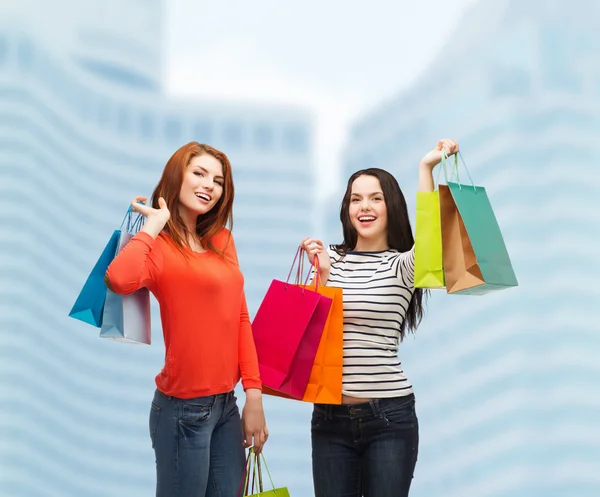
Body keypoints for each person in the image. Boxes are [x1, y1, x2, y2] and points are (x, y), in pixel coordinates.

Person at [105, 142, 268, 497]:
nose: (209, 185)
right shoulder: (157, 246)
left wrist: (253, 395)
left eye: (218, 180)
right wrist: (153, 226)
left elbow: (240, 316)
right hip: (182, 411)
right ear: (176, 177)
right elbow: (119, 279)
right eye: (199, 174)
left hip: (226, 406)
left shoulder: (222, 240)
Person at [301, 138, 460, 497]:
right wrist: (320, 278)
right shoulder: (330, 260)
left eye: (375, 198)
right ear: (346, 209)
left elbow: (432, 242)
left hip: (389, 417)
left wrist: (426, 168)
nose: (365, 206)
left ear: (391, 207)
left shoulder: (401, 266)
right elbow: (309, 339)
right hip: (328, 420)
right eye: (355, 198)